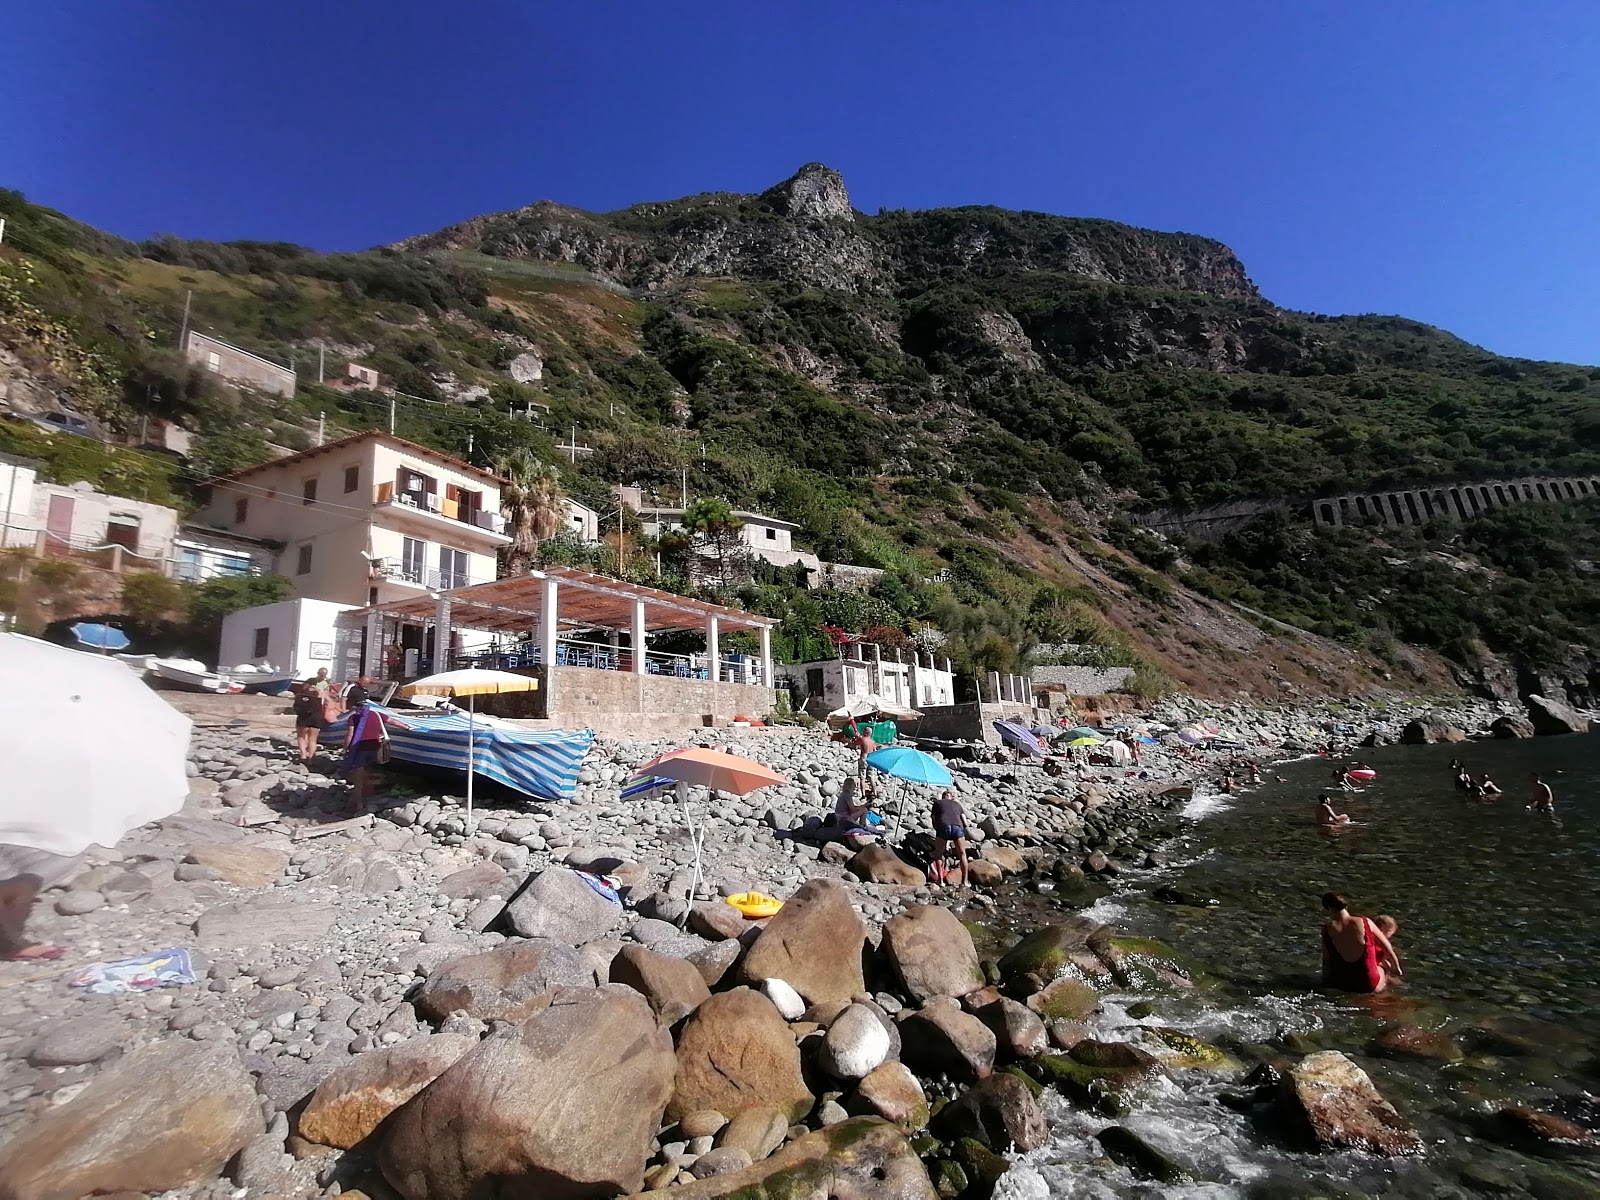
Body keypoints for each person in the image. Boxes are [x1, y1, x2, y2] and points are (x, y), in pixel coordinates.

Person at [1320, 892, 1401, 993]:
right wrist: (1396, 967)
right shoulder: (1365, 922)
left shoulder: (1326, 929)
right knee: (1382, 970)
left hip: (1341, 983)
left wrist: (1325, 982)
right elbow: (1386, 946)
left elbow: (1326, 960)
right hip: (1367, 984)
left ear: (1329, 909)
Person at [338, 698, 394, 815]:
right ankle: (368, 791)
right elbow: (393, 721)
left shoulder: (354, 718)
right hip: (374, 748)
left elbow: (350, 734)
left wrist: (346, 749)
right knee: (366, 771)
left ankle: (358, 802)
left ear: (356, 708)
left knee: (357, 777)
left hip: (359, 749)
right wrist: (408, 728)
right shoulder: (377, 715)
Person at [930, 790, 971, 885]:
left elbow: (934, 819)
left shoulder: (937, 803)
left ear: (942, 797)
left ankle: (940, 881)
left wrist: (938, 830)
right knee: (962, 854)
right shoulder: (957, 805)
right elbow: (965, 823)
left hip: (943, 827)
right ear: (952, 797)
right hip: (957, 828)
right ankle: (965, 881)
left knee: (938, 854)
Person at [291, 681, 326, 763]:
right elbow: (323, 700)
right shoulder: (319, 694)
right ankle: (310, 758)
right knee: (313, 740)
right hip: (315, 718)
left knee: (301, 737)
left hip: (303, 718)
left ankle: (303, 755)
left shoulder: (300, 695)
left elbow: (295, 706)